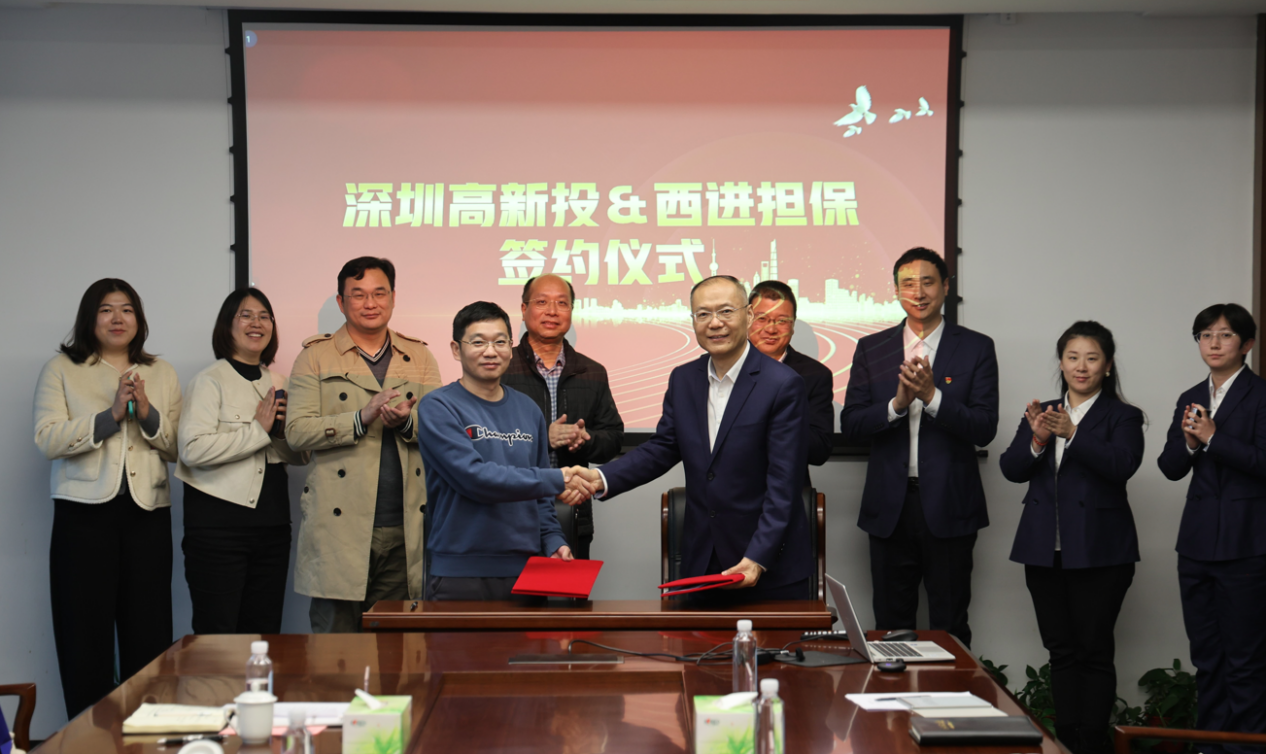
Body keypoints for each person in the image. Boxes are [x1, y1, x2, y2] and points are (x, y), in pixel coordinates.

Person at [572, 275, 812, 603]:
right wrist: (600, 478)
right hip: (703, 559)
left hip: (768, 565)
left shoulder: (783, 384)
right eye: (703, 314)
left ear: (748, 316)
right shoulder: (684, 379)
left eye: (726, 311)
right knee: (696, 639)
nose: (714, 323)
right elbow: (663, 447)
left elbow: (784, 484)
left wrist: (757, 557)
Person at [33, 278, 182, 717]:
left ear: (139, 319)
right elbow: (46, 439)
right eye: (106, 310)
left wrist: (147, 413)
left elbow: (178, 448)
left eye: (127, 309)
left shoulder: (162, 372)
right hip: (83, 516)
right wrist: (111, 415)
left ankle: (148, 731)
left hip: (147, 514)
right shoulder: (62, 368)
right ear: (89, 318)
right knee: (83, 633)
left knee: (149, 632)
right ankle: (87, 735)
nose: (118, 318)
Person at [839, 247, 998, 647]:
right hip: (889, 508)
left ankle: (951, 690)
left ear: (945, 286)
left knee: (950, 626)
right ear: (896, 291)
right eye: (908, 284)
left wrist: (932, 398)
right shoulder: (872, 348)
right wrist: (896, 405)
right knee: (891, 628)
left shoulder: (976, 347)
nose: (919, 292)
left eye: (928, 282)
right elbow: (852, 424)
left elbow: (984, 428)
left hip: (951, 505)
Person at [999, 321, 1143, 754]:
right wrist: (1038, 438)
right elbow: (1011, 468)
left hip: (1101, 552)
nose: (1081, 366)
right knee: (1060, 652)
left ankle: (1092, 745)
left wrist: (1074, 434)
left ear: (1107, 366)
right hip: (1045, 552)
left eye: (1092, 358)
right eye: (1073, 357)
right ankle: (1065, 744)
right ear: (1061, 363)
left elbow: (1122, 465)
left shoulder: (1123, 415)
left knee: (1094, 652)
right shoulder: (1043, 411)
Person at [286, 257, 442, 633]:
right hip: (338, 528)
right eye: (358, 295)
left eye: (379, 293)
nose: (370, 303)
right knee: (334, 649)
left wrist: (407, 423)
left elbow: (441, 431)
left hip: (404, 526)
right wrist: (359, 418)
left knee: (397, 647)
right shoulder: (315, 356)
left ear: (393, 298)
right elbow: (296, 432)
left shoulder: (419, 356)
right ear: (341, 302)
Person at [417, 301, 591, 600]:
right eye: (478, 342)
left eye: (500, 342)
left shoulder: (528, 409)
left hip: (527, 570)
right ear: (456, 350)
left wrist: (553, 540)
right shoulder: (438, 406)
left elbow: (540, 498)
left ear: (510, 349)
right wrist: (558, 478)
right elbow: (475, 478)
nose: (490, 351)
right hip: (459, 572)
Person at [1158, 303, 1266, 754]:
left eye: (1224, 335)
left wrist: (1214, 438)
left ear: (1247, 343)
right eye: (1205, 335)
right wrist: (1188, 443)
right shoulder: (1190, 396)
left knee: (1245, 660)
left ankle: (1246, 749)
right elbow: (1169, 467)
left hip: (1246, 544)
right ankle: (1209, 746)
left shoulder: (1260, 395)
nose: (1214, 343)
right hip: (1196, 544)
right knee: (1206, 657)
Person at [176, 288, 309, 635]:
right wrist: (258, 430)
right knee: (217, 637)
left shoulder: (281, 383)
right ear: (227, 325)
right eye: (246, 315)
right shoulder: (208, 381)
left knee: (264, 635)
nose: (257, 323)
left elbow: (300, 455)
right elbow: (192, 450)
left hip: (273, 528)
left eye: (265, 316)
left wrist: (280, 433)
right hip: (217, 532)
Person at [501, 274, 624, 560]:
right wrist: (544, 438)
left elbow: (613, 439)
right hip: (512, 510)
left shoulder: (592, 371)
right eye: (542, 302)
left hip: (572, 509)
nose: (552, 311)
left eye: (562, 303)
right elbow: (486, 441)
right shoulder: (502, 368)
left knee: (570, 588)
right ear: (523, 309)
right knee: (515, 590)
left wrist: (585, 440)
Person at [747, 280, 834, 482]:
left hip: (787, 491)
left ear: (793, 326)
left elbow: (819, 451)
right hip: (727, 492)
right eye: (762, 318)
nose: (771, 329)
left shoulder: (815, 375)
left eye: (782, 321)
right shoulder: (721, 369)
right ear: (747, 320)